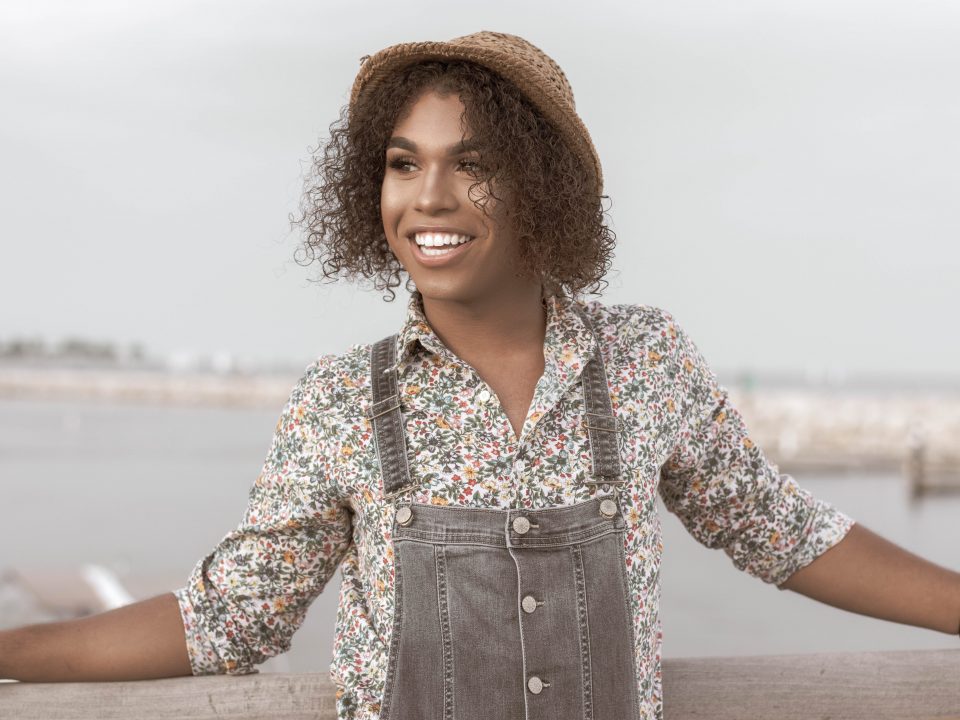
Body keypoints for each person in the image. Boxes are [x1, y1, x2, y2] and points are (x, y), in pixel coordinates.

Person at [1, 29, 958, 720]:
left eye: (473, 163)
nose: (429, 199)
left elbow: (782, 532)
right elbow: (230, 618)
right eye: (402, 163)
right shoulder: (341, 400)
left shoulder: (645, 359)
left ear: (543, 182)